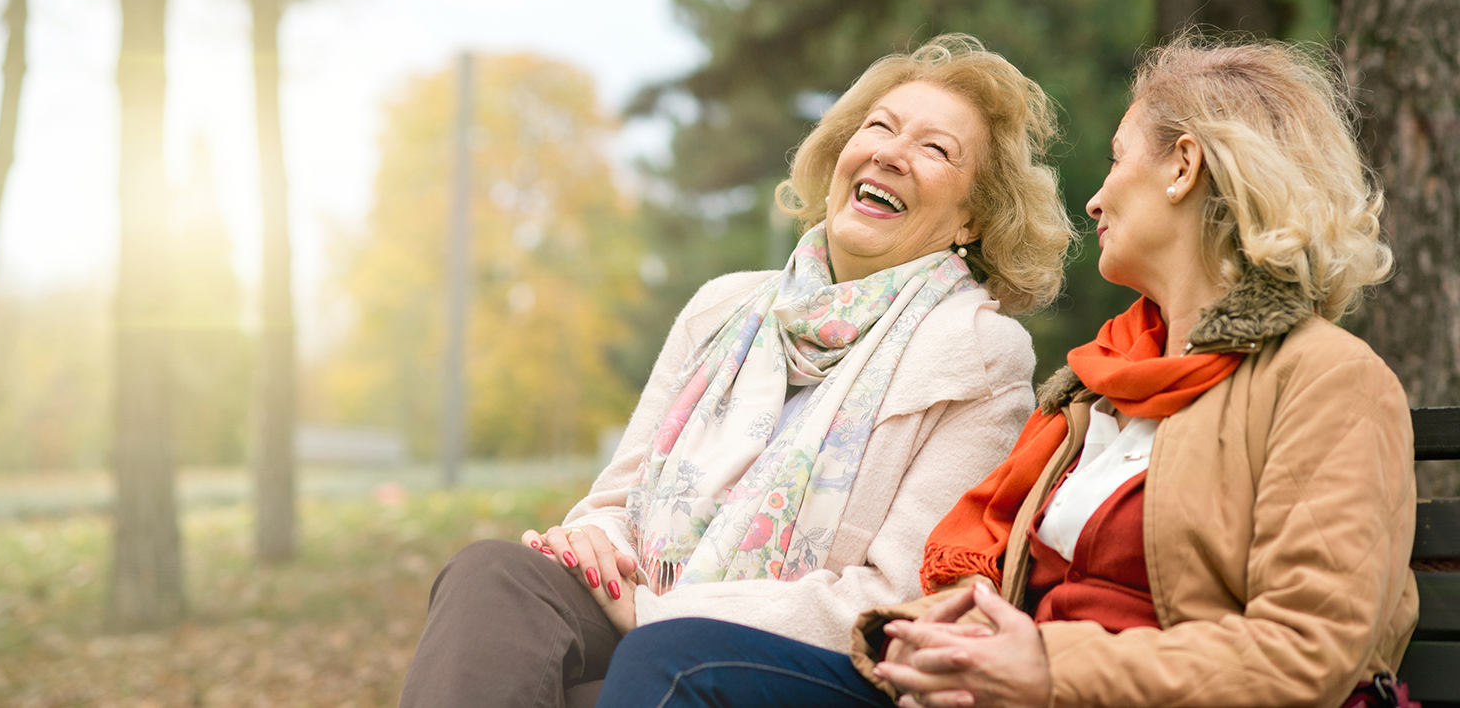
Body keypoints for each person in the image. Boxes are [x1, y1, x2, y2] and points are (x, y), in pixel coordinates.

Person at [595, 35, 1417, 708]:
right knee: (634, 642)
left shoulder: (1327, 382)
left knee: (673, 663)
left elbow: (1309, 650)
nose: (1094, 201)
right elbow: (977, 578)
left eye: (1117, 159)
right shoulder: (1098, 389)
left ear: (1182, 167)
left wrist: (1048, 666)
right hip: (994, 692)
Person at [396, 34, 1076, 708]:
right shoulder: (722, 306)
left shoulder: (979, 353)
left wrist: (663, 616)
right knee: (494, 574)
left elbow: (897, 596)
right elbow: (615, 503)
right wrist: (592, 542)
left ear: (971, 219)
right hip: (640, 606)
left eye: (936, 149)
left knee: (651, 662)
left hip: (785, 656)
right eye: (879, 127)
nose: (891, 153)